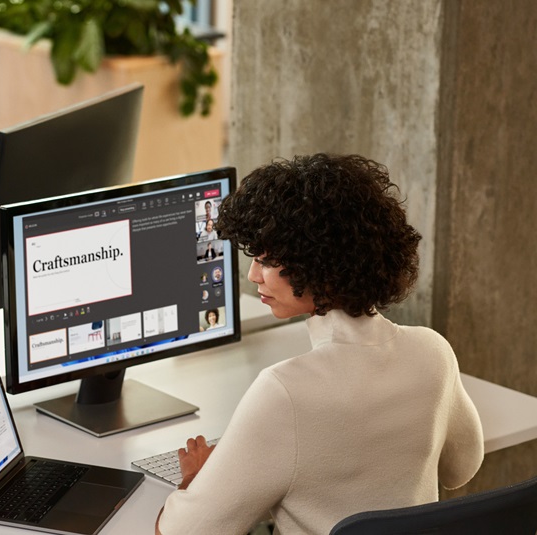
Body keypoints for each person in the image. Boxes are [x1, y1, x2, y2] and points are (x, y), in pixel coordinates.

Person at [156, 154, 483, 534]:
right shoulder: (433, 351)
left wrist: (197, 479)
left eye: (266, 259)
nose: (253, 274)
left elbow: (185, 532)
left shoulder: (285, 391)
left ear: (319, 265)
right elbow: (462, 468)